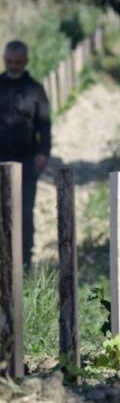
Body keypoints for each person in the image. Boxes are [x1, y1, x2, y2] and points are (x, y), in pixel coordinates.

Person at [0, 40, 51, 269]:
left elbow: (45, 125)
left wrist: (43, 153)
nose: (13, 66)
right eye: (9, 61)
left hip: (26, 161)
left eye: (18, 62)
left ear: (26, 62)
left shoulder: (36, 90)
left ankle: (24, 262)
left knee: (24, 213)